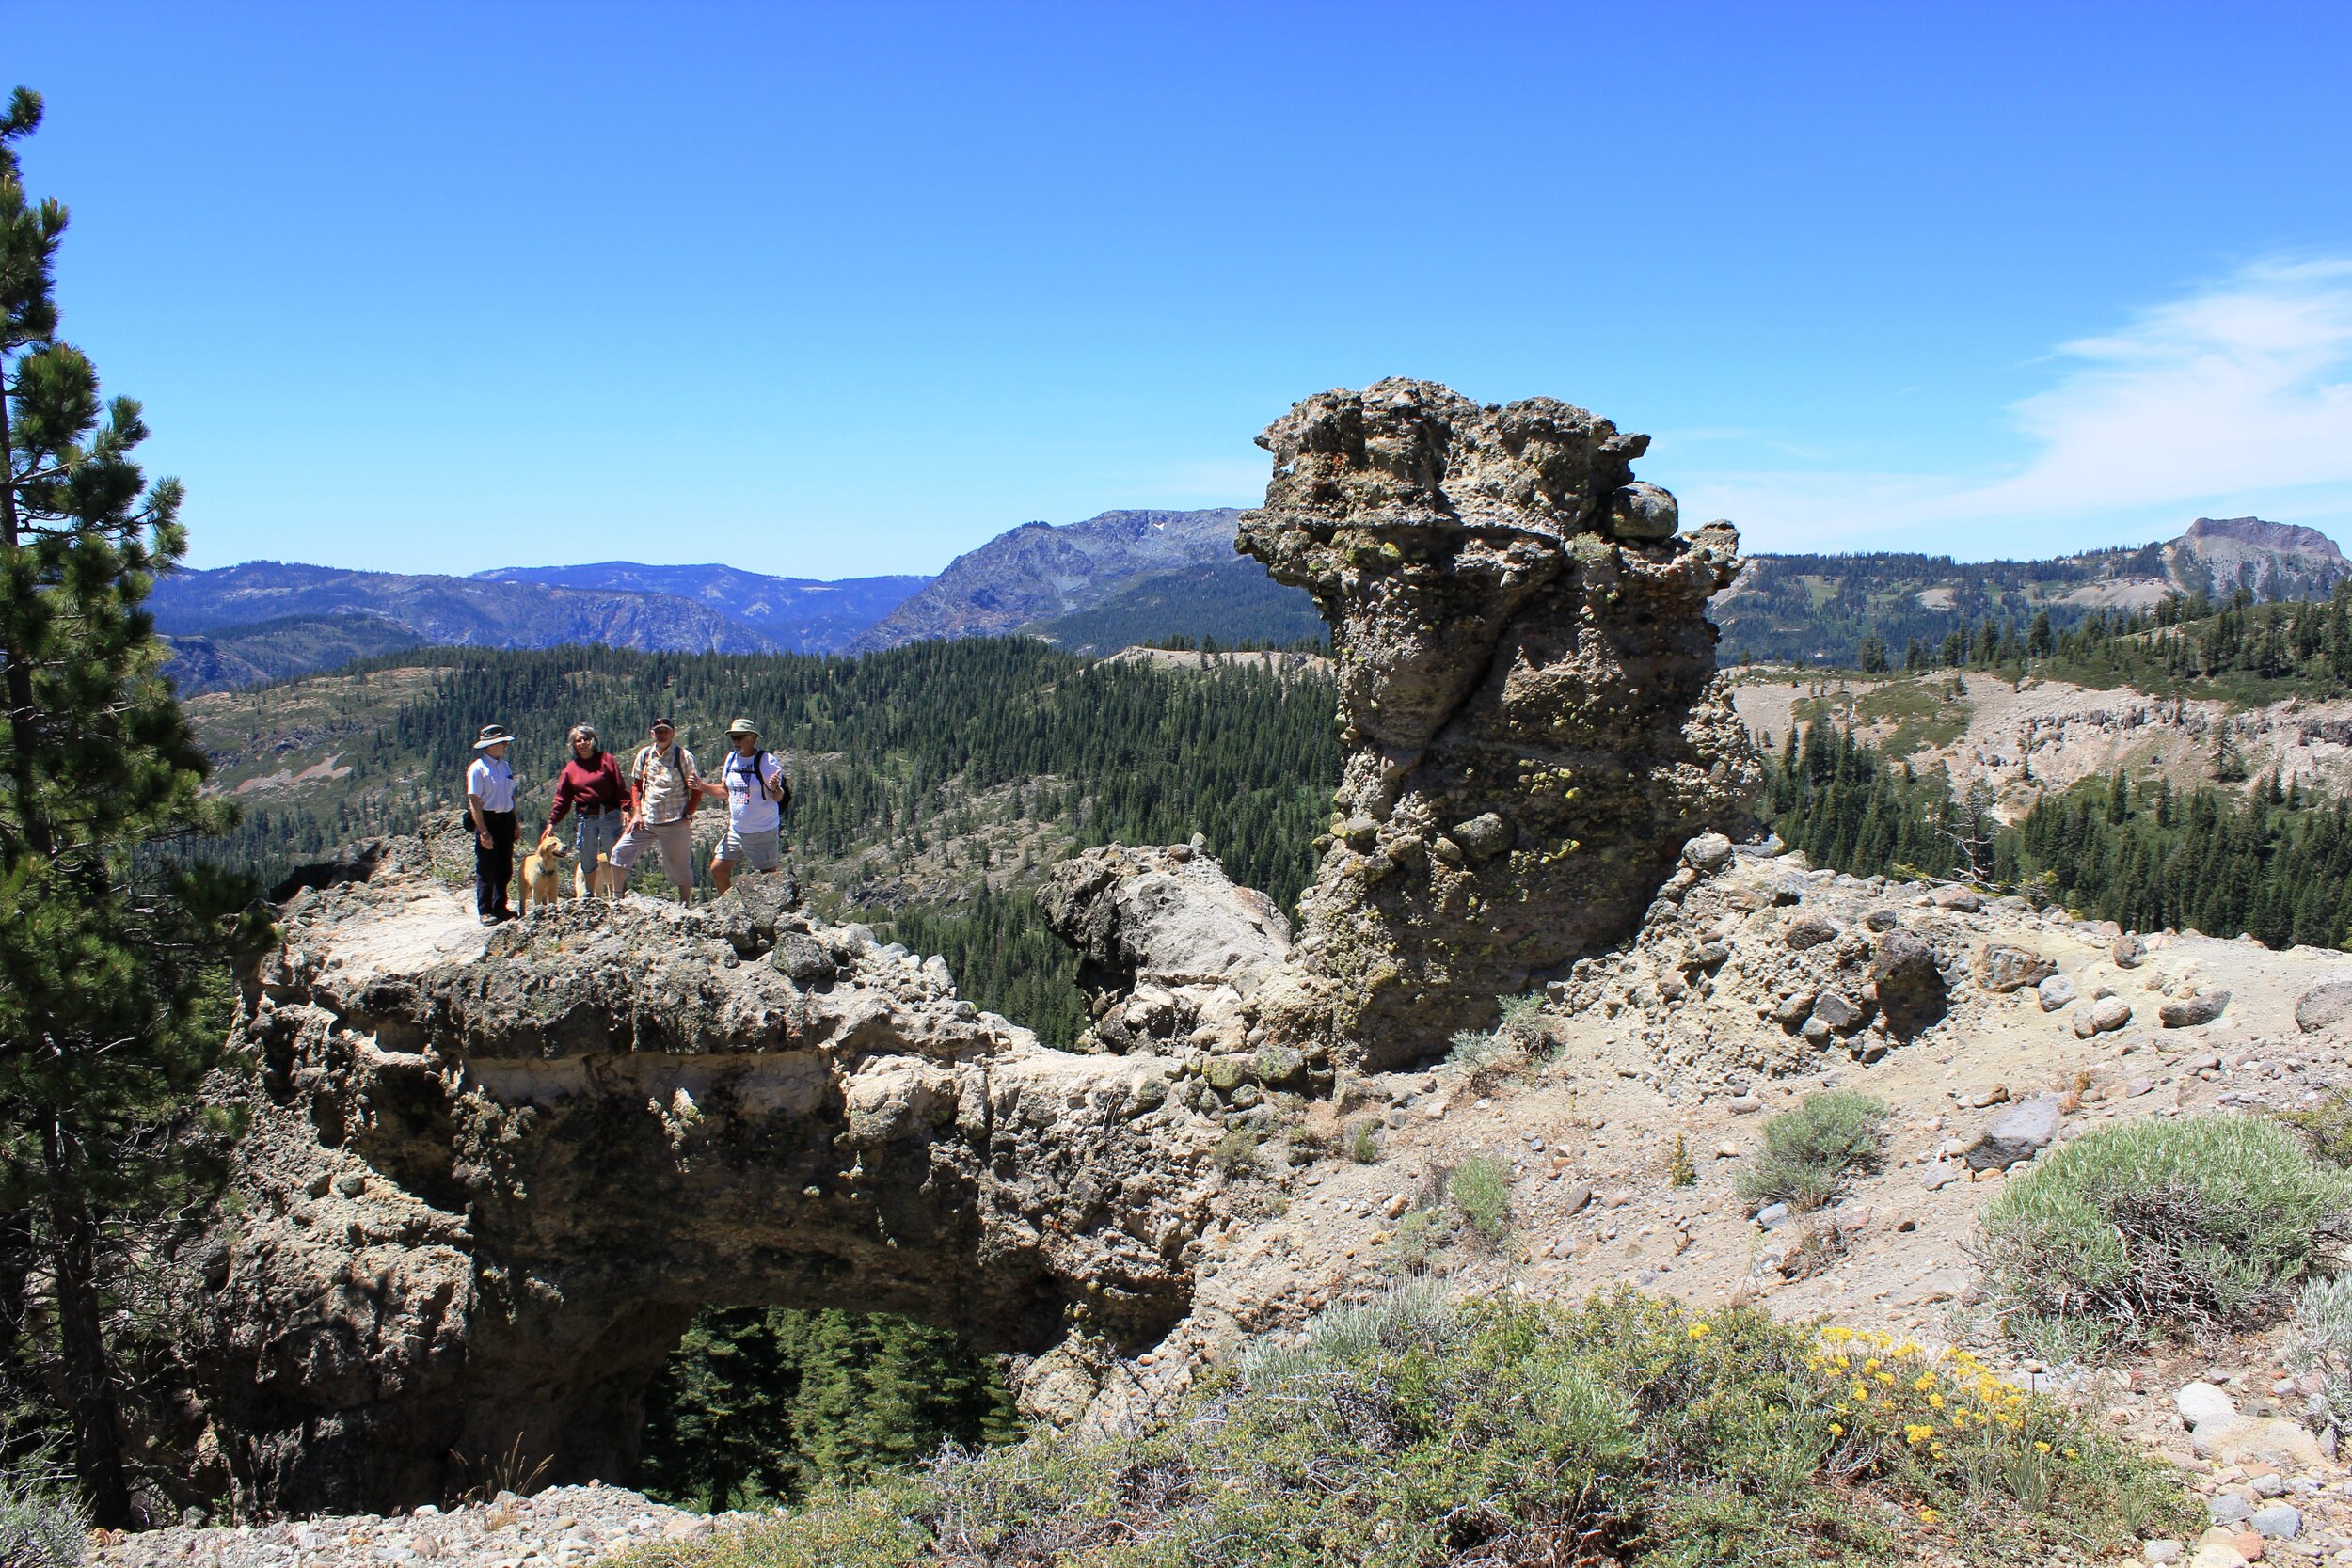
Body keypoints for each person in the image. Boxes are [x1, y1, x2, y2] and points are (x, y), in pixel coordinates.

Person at [610, 716, 703, 901]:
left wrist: (688, 814)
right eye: (658, 731)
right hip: (647, 820)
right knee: (619, 853)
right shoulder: (644, 755)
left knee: (681, 869)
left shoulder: (683, 757)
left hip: (674, 821)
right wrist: (636, 812)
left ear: (673, 733)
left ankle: (684, 907)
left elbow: (697, 789)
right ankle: (616, 898)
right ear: (652, 734)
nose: (662, 734)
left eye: (666, 731)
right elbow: (637, 785)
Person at [700, 717, 788, 894]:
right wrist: (701, 786)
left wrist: (774, 787)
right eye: (733, 737)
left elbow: (779, 797)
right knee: (718, 870)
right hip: (737, 830)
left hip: (762, 830)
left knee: (770, 880)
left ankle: (772, 916)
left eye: (740, 737)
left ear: (752, 738)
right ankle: (729, 910)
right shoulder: (731, 759)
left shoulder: (765, 761)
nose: (736, 742)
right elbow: (726, 791)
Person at [546, 722, 628, 898]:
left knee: (616, 855)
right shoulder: (571, 769)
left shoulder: (607, 761)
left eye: (586, 739)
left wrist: (626, 809)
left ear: (593, 741)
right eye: (578, 740)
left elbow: (620, 787)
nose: (583, 743)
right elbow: (563, 798)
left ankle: (618, 895)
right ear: (573, 745)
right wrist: (553, 821)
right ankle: (590, 894)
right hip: (586, 817)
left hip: (610, 814)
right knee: (587, 856)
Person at [466, 723, 519, 925]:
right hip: (488, 819)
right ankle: (485, 910)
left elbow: (511, 795)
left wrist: (515, 822)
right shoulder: (477, 769)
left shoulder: (504, 766)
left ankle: (500, 906)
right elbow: (474, 802)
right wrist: (483, 831)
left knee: (504, 866)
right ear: (491, 745)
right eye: (502, 742)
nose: (505, 745)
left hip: (505, 818)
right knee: (487, 866)